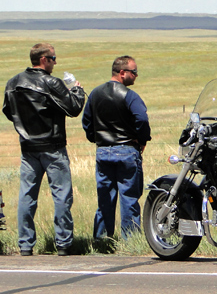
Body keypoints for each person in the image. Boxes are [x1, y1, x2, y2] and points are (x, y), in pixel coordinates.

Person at [2, 43, 85, 256]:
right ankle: (64, 243)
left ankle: (25, 244)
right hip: (53, 147)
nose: (55, 62)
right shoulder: (51, 82)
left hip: (28, 147)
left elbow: (8, 111)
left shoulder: (13, 83)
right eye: (53, 58)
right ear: (43, 60)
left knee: (27, 196)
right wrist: (77, 90)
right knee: (62, 196)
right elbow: (74, 108)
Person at [82, 55, 151, 241]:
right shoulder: (130, 96)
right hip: (127, 150)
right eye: (134, 72)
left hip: (103, 151)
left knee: (105, 198)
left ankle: (102, 241)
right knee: (129, 198)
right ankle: (131, 243)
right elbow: (142, 119)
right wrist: (142, 140)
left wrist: (95, 138)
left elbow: (86, 121)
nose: (136, 75)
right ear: (122, 73)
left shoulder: (95, 93)